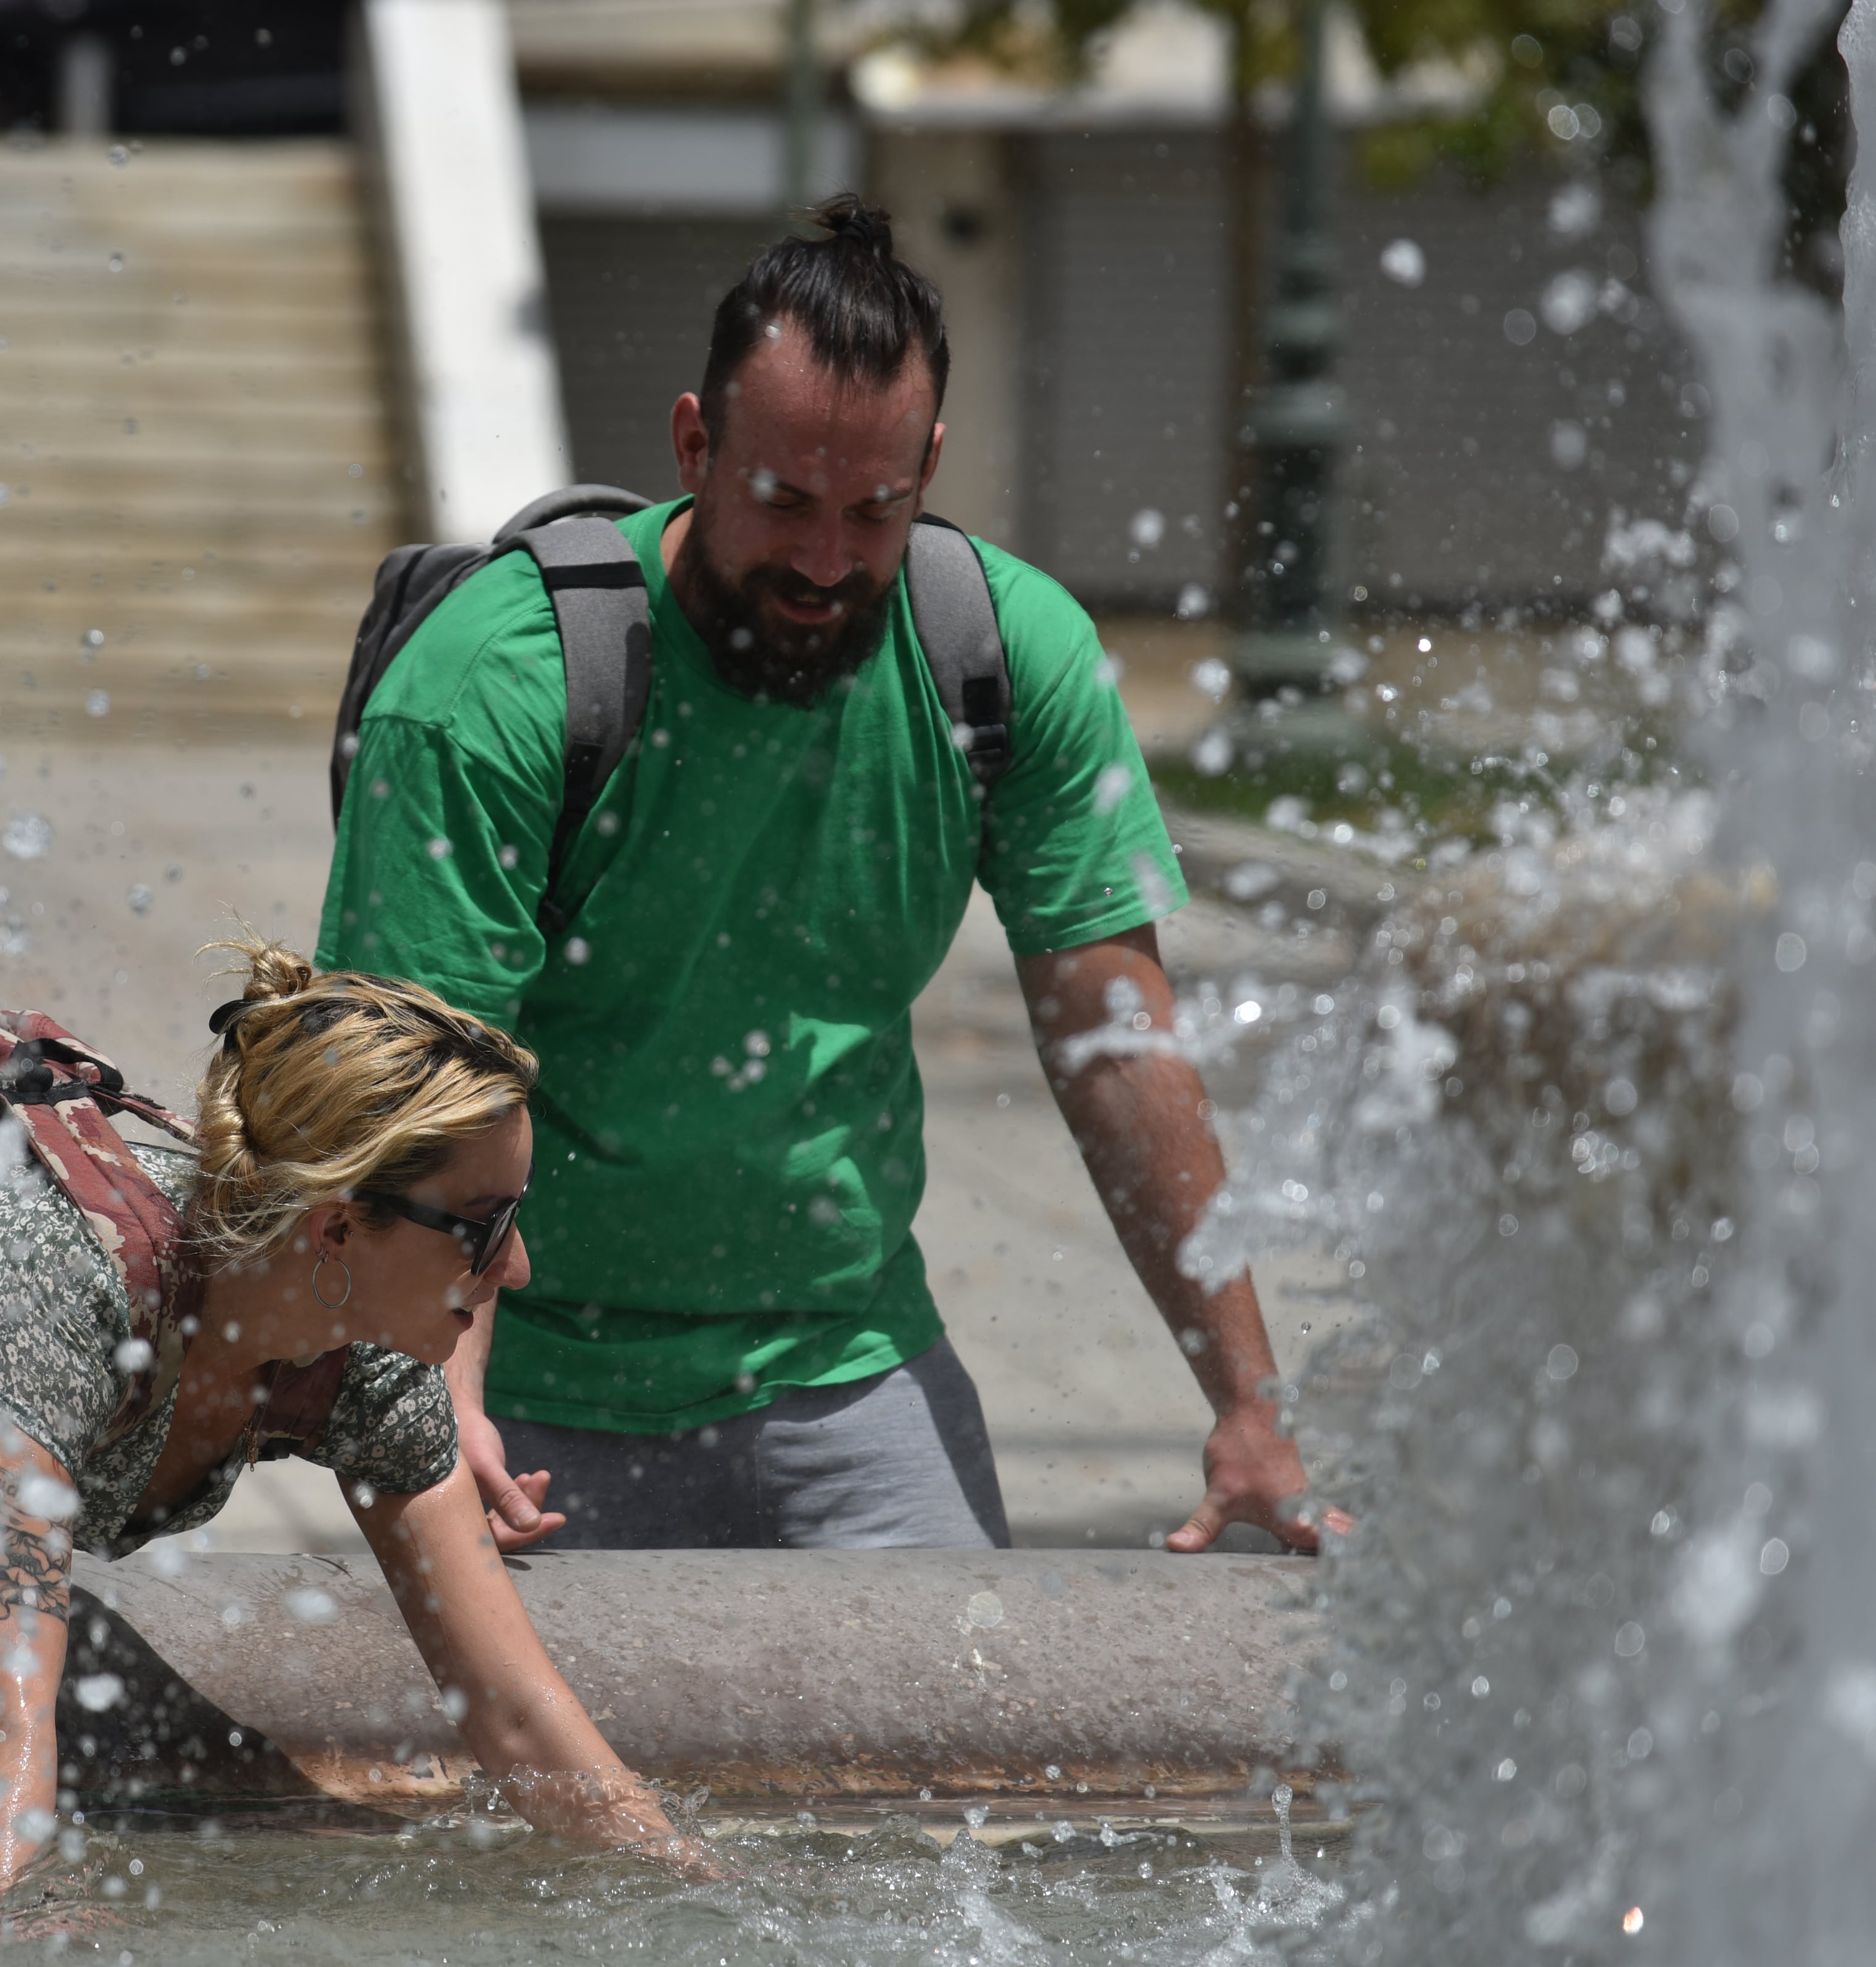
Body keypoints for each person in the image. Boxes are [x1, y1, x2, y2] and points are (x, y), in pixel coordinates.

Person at [319, 196, 1348, 1560]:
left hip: (852, 1368)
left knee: (963, 1761)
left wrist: (1247, 1401)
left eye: (874, 510)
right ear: (693, 444)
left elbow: (1117, 1046)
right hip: (534, 1393)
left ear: (929, 462)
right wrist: (440, 1406)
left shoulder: (1000, 651)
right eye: (781, 501)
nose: (823, 560)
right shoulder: (495, 684)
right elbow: (418, 1090)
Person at [0, 940, 703, 1917]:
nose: (519, 1269)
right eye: (485, 1227)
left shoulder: (371, 1358)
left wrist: (704, 1898)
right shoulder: (54, 1283)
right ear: (335, 1229)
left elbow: (520, 1716)